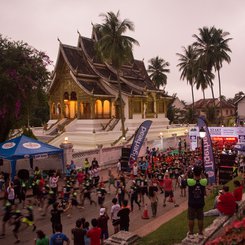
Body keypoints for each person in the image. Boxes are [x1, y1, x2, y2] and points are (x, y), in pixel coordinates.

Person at [186, 165, 207, 240]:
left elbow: (183, 179)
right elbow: (205, 178)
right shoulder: (203, 181)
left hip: (192, 203)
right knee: (200, 218)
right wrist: (201, 173)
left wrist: (187, 172)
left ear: (193, 173)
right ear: (200, 172)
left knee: (191, 218)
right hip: (200, 203)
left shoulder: (190, 181)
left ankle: (191, 233)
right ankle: (200, 233)